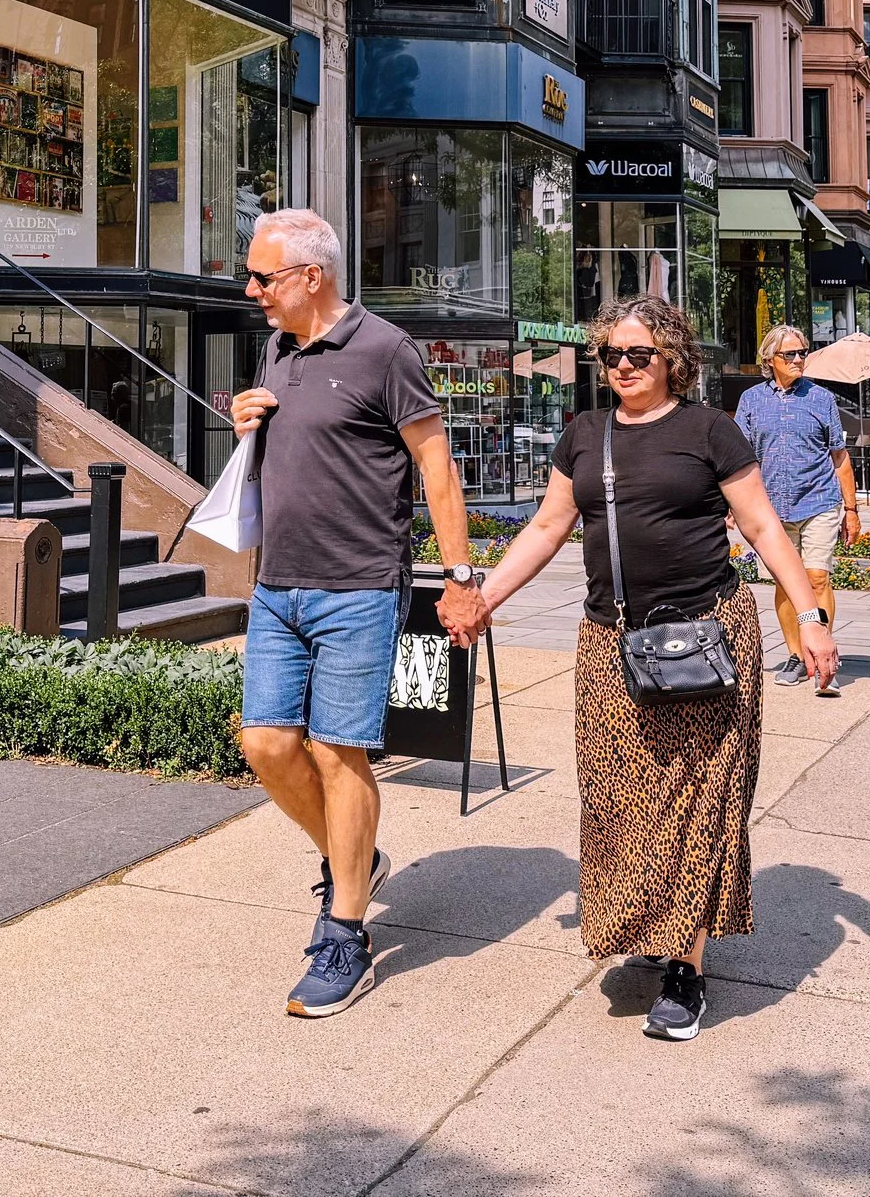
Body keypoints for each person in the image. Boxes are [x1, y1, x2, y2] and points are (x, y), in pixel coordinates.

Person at [438, 295, 836, 1040]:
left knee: (697, 795)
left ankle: (686, 964)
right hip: (609, 640)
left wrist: (809, 617)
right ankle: (649, 917)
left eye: (638, 355)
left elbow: (760, 525)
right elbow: (550, 524)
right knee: (619, 795)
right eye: (612, 355)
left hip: (706, 633)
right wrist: (483, 596)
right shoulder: (585, 434)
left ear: (671, 358)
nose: (622, 366)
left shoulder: (709, 429)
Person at [230, 208, 471, 1019]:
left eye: (263, 275)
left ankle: (344, 930)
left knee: (340, 755)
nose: (251, 288)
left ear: (312, 276)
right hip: (277, 582)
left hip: (360, 586)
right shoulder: (277, 346)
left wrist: (461, 577)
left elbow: (437, 469)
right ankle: (356, 857)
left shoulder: (385, 350)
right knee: (263, 741)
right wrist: (246, 422)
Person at [731, 324, 859, 691]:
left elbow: (840, 457)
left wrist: (851, 510)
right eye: (791, 354)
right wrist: (732, 503)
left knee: (817, 577)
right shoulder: (752, 401)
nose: (799, 359)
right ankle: (795, 654)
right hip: (771, 508)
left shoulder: (821, 399)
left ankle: (822, 653)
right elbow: (740, 457)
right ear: (769, 359)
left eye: (803, 352)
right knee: (787, 584)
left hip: (818, 500)